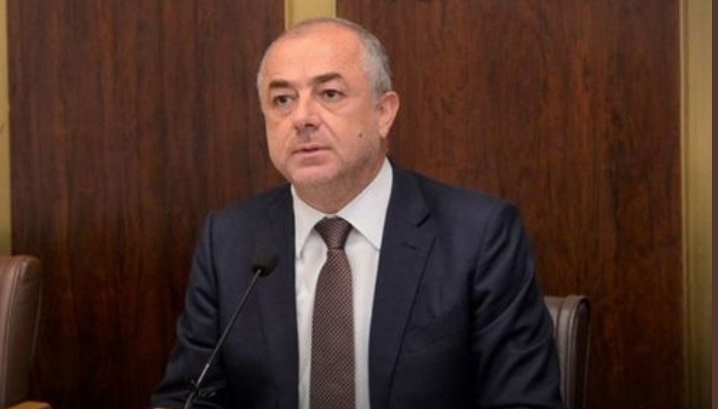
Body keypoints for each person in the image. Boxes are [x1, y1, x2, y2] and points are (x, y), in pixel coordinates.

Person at [151, 17, 562, 409]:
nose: (302, 118)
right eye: (282, 100)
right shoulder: (229, 241)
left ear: (384, 112)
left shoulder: (479, 235)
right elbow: (190, 396)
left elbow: (522, 400)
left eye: (330, 94)